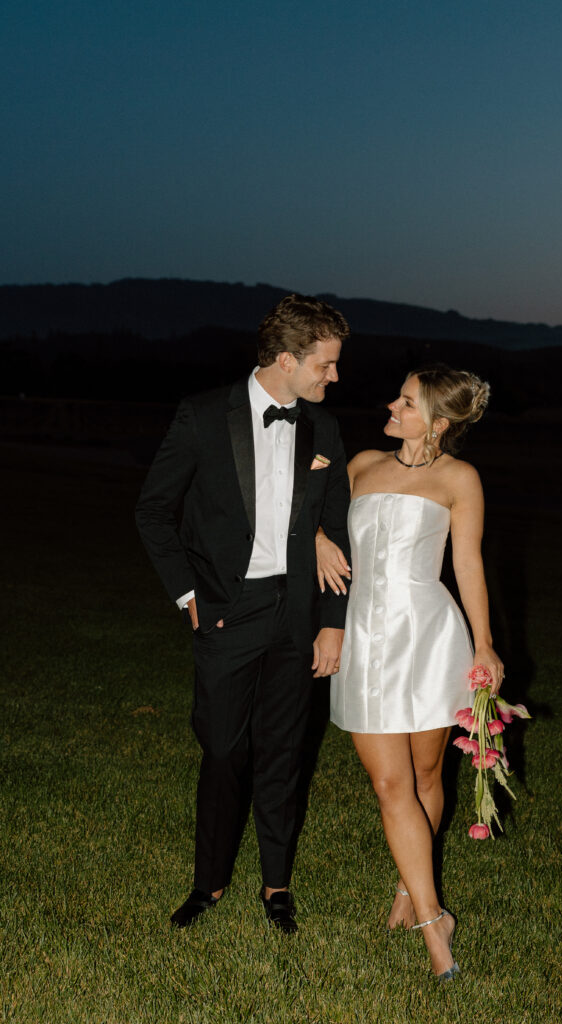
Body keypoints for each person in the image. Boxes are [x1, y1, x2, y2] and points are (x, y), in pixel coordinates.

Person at [136, 294, 351, 933]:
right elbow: (153, 512)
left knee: (284, 751)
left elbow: (334, 526)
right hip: (228, 613)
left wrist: (332, 621)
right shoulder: (203, 416)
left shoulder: (325, 429)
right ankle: (209, 884)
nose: (334, 378)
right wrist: (189, 597)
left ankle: (276, 887)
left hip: (296, 613)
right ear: (287, 359)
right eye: (326, 365)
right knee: (224, 753)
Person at [315, 364, 503, 980]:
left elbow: (468, 565)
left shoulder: (459, 478)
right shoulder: (362, 464)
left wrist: (485, 647)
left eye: (406, 402)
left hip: (428, 638)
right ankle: (434, 925)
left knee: (426, 775)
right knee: (390, 786)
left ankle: (406, 885)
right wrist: (319, 534)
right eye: (397, 396)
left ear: (439, 423)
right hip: (364, 639)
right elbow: (309, 513)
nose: (391, 406)